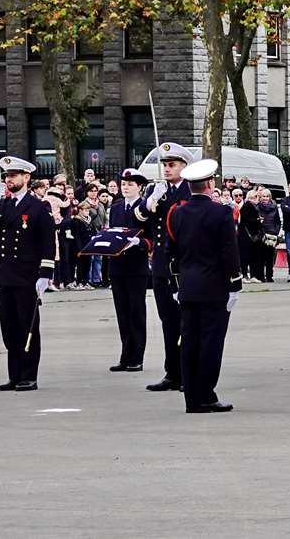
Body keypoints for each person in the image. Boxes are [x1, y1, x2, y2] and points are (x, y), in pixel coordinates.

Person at [165, 159, 242, 413]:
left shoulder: (177, 213)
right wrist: (235, 284)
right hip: (214, 288)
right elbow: (229, 252)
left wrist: (176, 284)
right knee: (210, 343)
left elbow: (171, 252)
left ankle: (191, 399)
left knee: (189, 342)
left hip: (187, 286)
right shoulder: (221, 213)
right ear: (210, 184)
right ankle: (206, 394)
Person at [0, 158, 55, 391]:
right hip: (4, 276)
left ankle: (29, 375)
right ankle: (14, 374)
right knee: (9, 328)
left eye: (13, 175)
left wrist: (45, 274)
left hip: (27, 276)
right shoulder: (3, 206)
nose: (9, 179)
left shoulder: (38, 207)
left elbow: (48, 243)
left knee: (27, 327)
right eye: (7, 176)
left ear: (26, 178)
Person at [134, 142, 195, 393]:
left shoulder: (189, 194)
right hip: (160, 267)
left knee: (185, 323)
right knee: (167, 321)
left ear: (184, 166)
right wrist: (149, 202)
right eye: (165, 165)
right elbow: (139, 217)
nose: (167, 169)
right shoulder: (160, 191)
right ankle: (172, 372)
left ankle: (187, 373)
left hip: (180, 268)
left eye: (172, 165)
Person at [106, 169, 152, 373]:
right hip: (117, 266)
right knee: (122, 312)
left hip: (136, 266)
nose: (125, 187)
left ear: (140, 187)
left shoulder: (146, 207)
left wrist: (139, 243)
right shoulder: (115, 208)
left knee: (136, 312)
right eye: (123, 184)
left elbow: (151, 238)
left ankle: (137, 357)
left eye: (130, 184)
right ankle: (125, 355)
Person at [255, 187, 282, 283]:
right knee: (261, 257)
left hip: (272, 234)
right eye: (263, 196)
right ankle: (261, 276)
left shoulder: (274, 207)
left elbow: (278, 221)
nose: (265, 198)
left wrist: (276, 231)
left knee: (270, 258)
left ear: (270, 197)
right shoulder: (257, 207)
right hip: (261, 235)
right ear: (260, 197)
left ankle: (269, 276)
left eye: (267, 196)